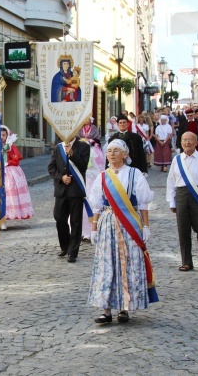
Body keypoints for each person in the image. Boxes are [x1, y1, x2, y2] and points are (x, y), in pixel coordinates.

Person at [88, 139, 155, 324]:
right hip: (108, 223)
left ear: (125, 154)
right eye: (109, 151)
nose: (112, 154)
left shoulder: (135, 175)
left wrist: (146, 226)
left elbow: (142, 203)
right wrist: (94, 227)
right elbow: (97, 205)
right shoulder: (103, 177)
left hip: (129, 224)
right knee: (107, 264)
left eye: (116, 150)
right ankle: (106, 309)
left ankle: (125, 307)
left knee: (128, 263)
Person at [167, 132, 198, 271]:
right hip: (182, 195)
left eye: (190, 140)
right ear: (181, 142)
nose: (187, 142)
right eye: (184, 140)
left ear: (196, 143)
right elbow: (171, 182)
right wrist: (172, 201)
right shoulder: (177, 160)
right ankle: (186, 261)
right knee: (183, 230)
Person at [47, 136, 90, 262]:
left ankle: (73, 252)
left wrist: (72, 154)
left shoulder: (83, 146)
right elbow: (51, 168)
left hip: (76, 190)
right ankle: (65, 246)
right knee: (59, 218)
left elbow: (83, 167)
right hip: (61, 189)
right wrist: (61, 177)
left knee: (76, 222)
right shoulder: (58, 147)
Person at [77, 117, 105, 242]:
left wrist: (91, 142)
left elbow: (97, 140)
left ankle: (92, 229)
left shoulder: (94, 129)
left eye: (88, 119)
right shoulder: (79, 130)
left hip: (93, 157)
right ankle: (80, 230)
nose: (86, 121)